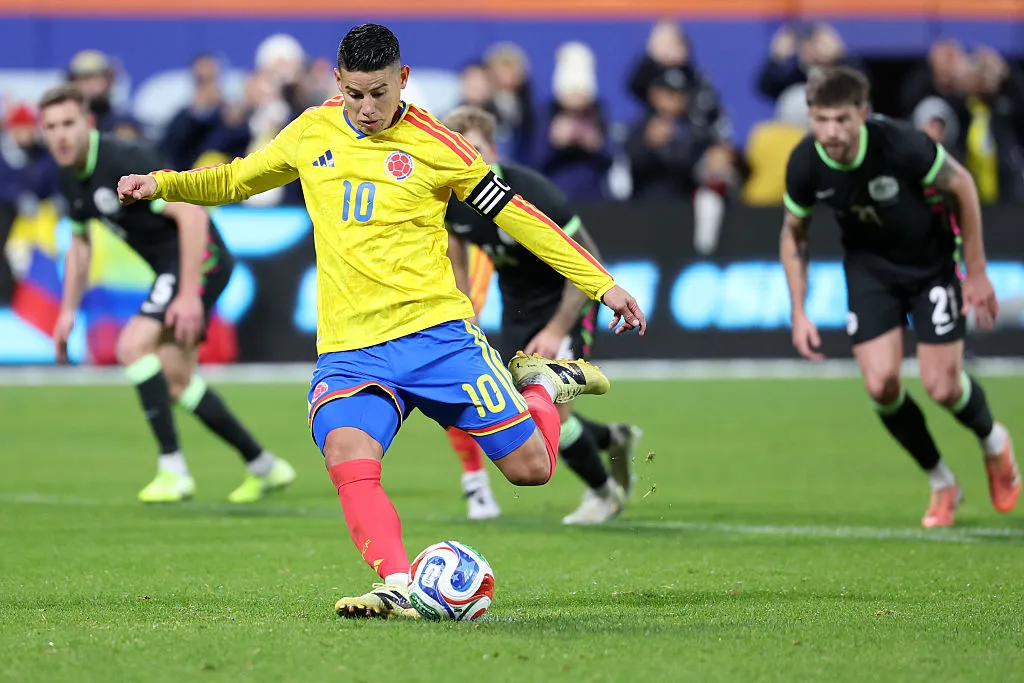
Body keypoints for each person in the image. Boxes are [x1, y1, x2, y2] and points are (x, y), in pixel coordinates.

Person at [116, 24, 646, 620]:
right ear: (337, 82)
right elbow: (236, 178)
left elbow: (520, 217)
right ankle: (398, 584)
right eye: (354, 93)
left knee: (532, 470)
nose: (367, 107)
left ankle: (542, 385)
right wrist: (162, 183)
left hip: (438, 338)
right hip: (352, 348)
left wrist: (602, 284)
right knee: (347, 454)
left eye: (379, 92)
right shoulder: (311, 131)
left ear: (403, 79)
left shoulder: (440, 146)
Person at [781, 67, 1019, 528]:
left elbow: (962, 185)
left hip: (931, 265)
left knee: (943, 387)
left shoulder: (900, 144)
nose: (831, 132)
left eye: (842, 119)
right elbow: (794, 233)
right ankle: (942, 483)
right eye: (822, 119)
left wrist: (976, 272)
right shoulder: (805, 161)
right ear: (810, 117)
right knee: (880, 386)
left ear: (862, 114)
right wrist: (798, 311)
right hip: (870, 272)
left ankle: (995, 442)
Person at [40, 85, 294, 504]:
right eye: (50, 127)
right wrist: (67, 311)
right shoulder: (70, 177)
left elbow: (192, 215)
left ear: (88, 123)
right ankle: (264, 466)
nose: (60, 135)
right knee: (176, 382)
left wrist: (189, 295)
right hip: (173, 268)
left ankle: (172, 469)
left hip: (201, 258)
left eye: (68, 123)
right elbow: (80, 244)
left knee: (132, 346)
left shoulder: (123, 158)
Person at [443, 105, 642, 525]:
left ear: (494, 149)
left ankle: (604, 493)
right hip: (517, 305)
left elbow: (588, 258)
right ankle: (611, 438)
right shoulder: (451, 199)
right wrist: (467, 321)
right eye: (459, 149)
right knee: (528, 406)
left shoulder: (530, 191)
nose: (468, 158)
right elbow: (458, 264)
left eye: (476, 149)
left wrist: (555, 330)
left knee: (552, 408)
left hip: (568, 300)